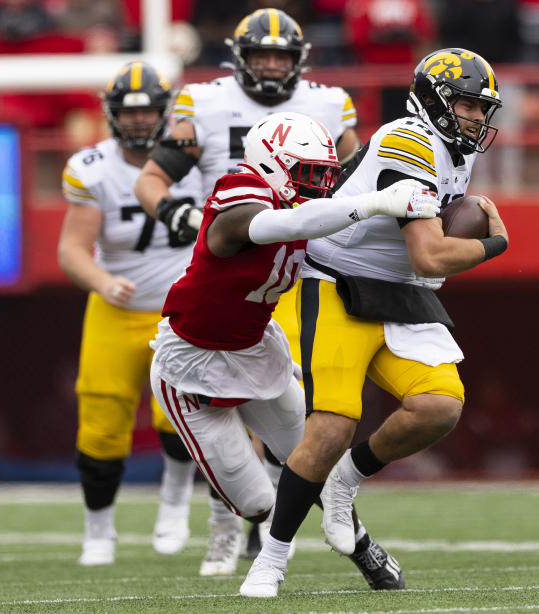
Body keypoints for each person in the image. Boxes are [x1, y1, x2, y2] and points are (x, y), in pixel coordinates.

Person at [239, 47, 509, 598]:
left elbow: (421, 264)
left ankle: (346, 482)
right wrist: (494, 243)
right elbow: (430, 257)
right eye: (466, 105)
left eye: (483, 109)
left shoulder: (457, 151)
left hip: (398, 292)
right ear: (433, 100)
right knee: (331, 427)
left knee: (438, 406)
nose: (478, 119)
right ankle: (271, 558)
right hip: (336, 280)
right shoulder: (410, 140)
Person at [148, 112, 438, 594]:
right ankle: (243, 537)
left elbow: (332, 225)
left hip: (257, 350)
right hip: (191, 366)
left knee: (315, 458)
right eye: (306, 174)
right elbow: (284, 224)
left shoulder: (306, 203)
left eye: (323, 176)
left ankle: (362, 545)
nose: (319, 187)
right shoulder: (238, 192)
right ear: (272, 164)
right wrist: (373, 203)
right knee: (259, 502)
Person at [133, 7, 365, 577]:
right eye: (259, 55)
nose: (269, 66)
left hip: (293, 264)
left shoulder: (330, 103)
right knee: (228, 413)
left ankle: (331, 529)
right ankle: (227, 520)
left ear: (300, 61)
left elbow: (353, 177)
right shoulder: (205, 104)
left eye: (279, 56)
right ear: (238, 59)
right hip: (233, 249)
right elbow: (153, 178)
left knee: (298, 408)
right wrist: (178, 213)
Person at [56, 61, 203, 566]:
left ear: (166, 112)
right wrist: (101, 280)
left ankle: (175, 503)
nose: (139, 121)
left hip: (180, 311)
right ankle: (99, 531)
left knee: (182, 416)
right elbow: (72, 249)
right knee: (100, 422)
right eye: (129, 111)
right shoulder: (93, 168)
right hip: (116, 310)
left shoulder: (196, 160)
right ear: (112, 113)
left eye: (148, 111)